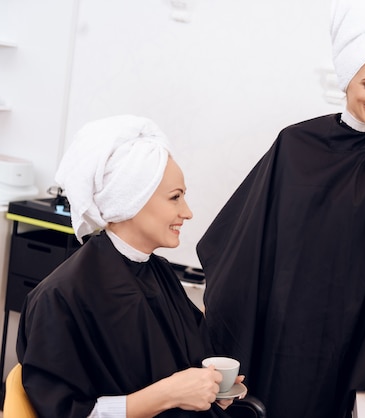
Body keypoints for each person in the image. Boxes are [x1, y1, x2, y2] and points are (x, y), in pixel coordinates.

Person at [196, 1, 365, 417]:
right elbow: (248, 238)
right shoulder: (295, 145)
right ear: (346, 82)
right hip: (279, 328)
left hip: (351, 340)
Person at [17, 115, 242, 417]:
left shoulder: (159, 271)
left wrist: (209, 388)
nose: (187, 212)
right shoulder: (60, 298)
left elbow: (193, 352)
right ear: (131, 199)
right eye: (175, 197)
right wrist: (166, 394)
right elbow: (67, 412)